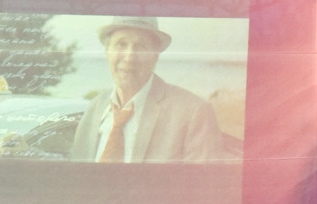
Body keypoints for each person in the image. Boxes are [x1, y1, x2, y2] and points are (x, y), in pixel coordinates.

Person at [70, 17, 225, 163]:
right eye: (121, 44)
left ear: (155, 55)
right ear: (107, 51)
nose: (129, 57)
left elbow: (203, 187)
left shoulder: (193, 113)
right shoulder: (94, 108)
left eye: (141, 46)